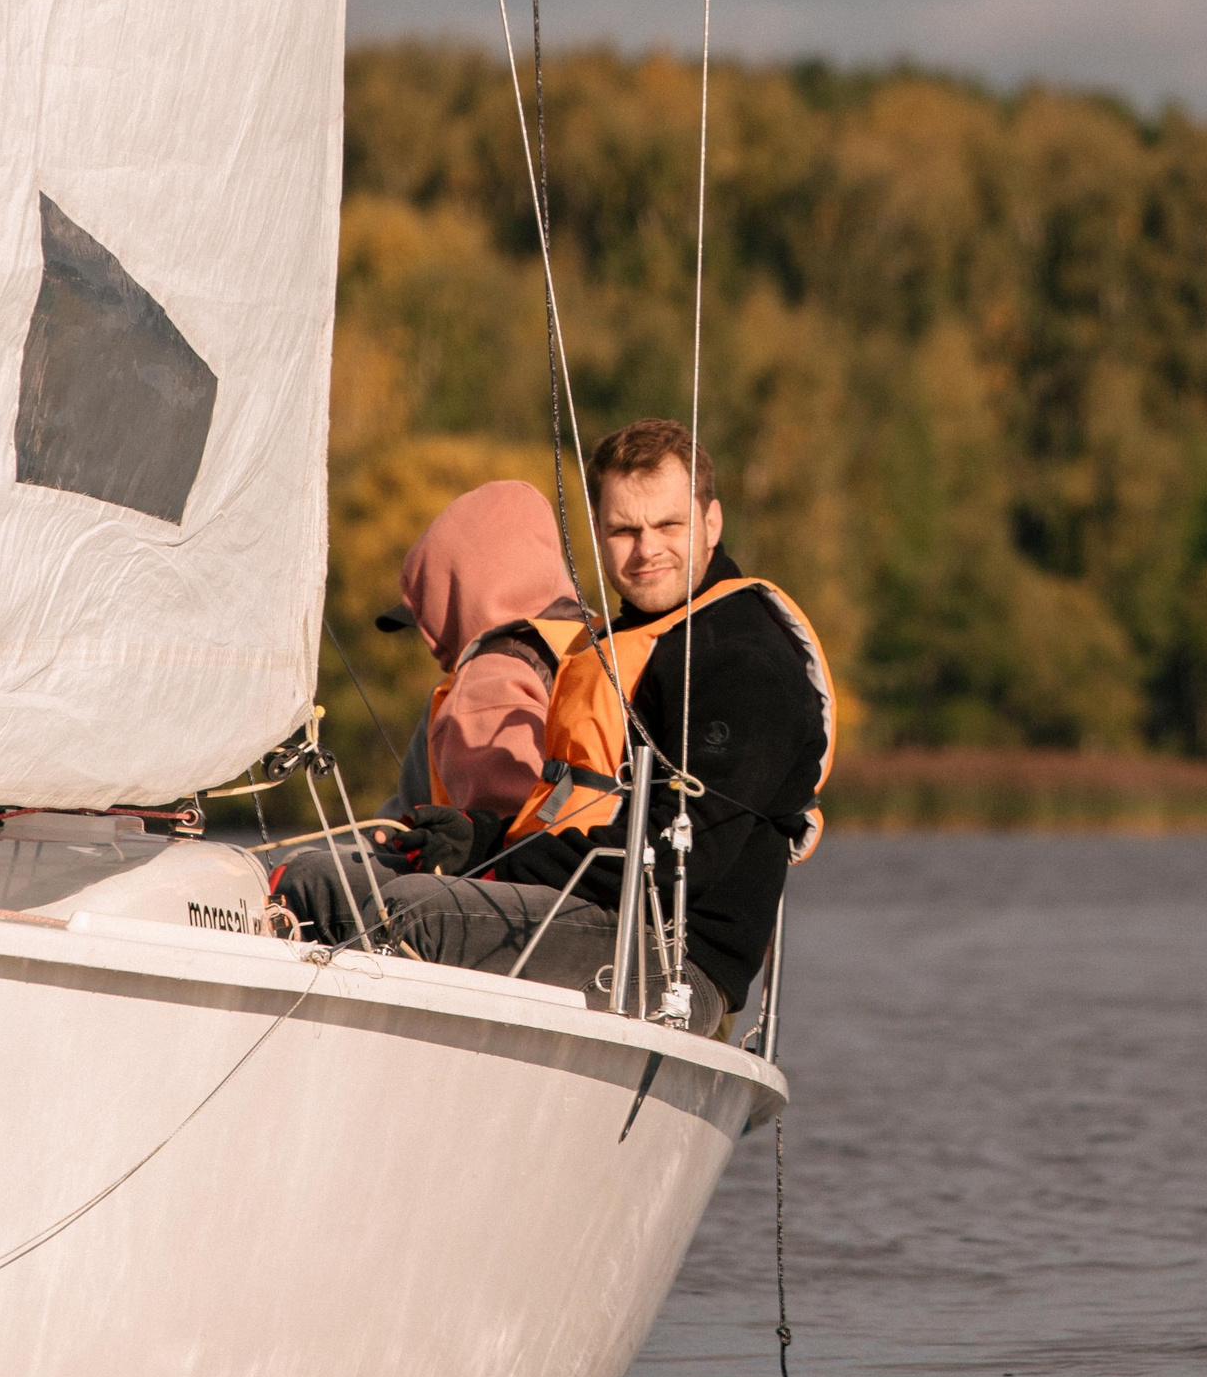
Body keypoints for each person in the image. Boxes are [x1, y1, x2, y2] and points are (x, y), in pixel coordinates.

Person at [277, 420, 834, 1035]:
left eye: (668, 526)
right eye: (625, 530)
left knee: (404, 914)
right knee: (316, 877)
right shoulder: (632, 642)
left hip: (669, 964)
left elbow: (678, 861)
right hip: (591, 917)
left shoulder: (741, 660)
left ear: (712, 522)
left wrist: (496, 865)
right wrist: (481, 838)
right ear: (598, 536)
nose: (647, 549)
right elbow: (594, 808)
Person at [374, 481, 588, 816]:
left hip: (498, 865)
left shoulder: (489, 680)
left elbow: (493, 837)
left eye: (427, 612)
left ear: (453, 599)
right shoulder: (602, 643)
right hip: (609, 853)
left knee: (312, 869)